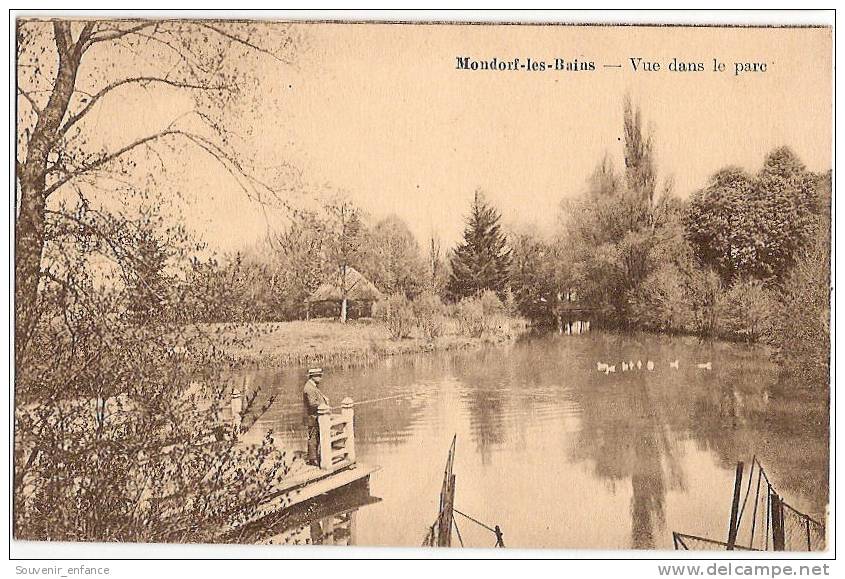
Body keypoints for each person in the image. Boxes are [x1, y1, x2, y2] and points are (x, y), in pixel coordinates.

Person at [303, 368, 329, 465]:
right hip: (312, 417)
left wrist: (324, 399)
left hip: (316, 416)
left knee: (315, 436)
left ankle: (314, 457)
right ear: (312, 376)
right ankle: (312, 459)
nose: (320, 378)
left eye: (320, 375)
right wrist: (324, 405)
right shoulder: (309, 388)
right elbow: (312, 403)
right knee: (313, 437)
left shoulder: (313, 386)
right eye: (318, 376)